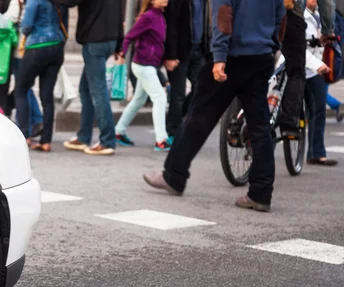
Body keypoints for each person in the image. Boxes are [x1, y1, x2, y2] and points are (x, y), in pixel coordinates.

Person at [144, 0, 286, 212]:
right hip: (261, 56)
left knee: (198, 118)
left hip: (231, 57)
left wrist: (219, 57)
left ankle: (174, 175)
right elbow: (280, 16)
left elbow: (223, 13)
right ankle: (261, 193)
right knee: (260, 127)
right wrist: (271, 45)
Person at [51, 0, 125, 156]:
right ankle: (83, 136)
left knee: (98, 91)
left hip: (94, 41)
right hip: (109, 40)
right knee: (85, 89)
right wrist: (119, 44)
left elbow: (69, 2)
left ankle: (107, 140)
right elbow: (120, 14)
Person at [115, 0, 170, 151]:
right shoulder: (148, 16)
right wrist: (122, 54)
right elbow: (129, 36)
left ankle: (119, 131)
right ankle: (161, 140)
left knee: (139, 100)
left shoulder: (159, 16)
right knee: (160, 98)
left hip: (150, 64)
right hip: (143, 65)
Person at [14, 0, 68, 152]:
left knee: (21, 90)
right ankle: (46, 140)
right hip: (57, 47)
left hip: (37, 47)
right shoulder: (57, 2)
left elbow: (26, 26)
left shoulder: (34, 1)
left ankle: (25, 136)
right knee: (47, 96)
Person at [279, 0, 336, 139]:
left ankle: (236, 119)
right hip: (290, 15)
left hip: (257, 15)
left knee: (252, 66)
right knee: (296, 71)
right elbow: (327, 3)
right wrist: (328, 30)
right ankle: (289, 124)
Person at [0, 0, 44, 138]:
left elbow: (16, 20)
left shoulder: (22, 2)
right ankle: (36, 119)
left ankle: (32, 123)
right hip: (27, 48)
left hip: (21, 49)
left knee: (22, 87)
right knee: (24, 87)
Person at [163, 0, 211, 143]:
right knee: (178, 94)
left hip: (199, 51)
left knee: (201, 90)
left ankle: (178, 119)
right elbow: (170, 26)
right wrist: (170, 55)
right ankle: (173, 131)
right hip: (179, 53)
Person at [304, 0, 339, 165]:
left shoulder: (319, 15)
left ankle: (316, 152)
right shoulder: (298, 14)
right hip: (297, 67)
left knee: (318, 110)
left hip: (314, 69)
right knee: (287, 111)